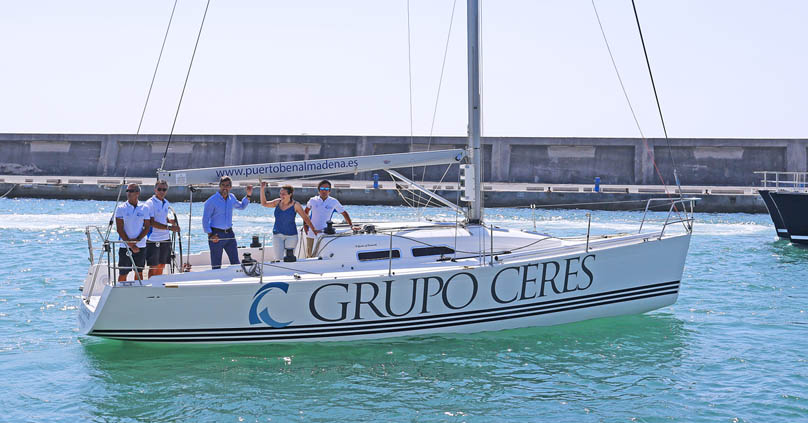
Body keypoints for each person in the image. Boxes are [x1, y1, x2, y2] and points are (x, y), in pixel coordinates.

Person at [202, 176, 253, 269]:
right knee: (216, 265)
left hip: (230, 234)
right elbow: (205, 220)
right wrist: (210, 235)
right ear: (219, 186)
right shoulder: (212, 201)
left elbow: (241, 206)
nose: (225, 187)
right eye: (223, 185)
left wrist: (248, 195)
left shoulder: (232, 197)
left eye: (227, 185)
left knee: (236, 263)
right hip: (216, 234)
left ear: (231, 187)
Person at [259, 182, 318, 261]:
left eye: (284, 194)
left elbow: (305, 218)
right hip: (277, 235)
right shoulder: (277, 202)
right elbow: (264, 203)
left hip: (291, 236)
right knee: (278, 259)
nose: (281, 195)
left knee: (289, 259)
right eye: (280, 193)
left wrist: (314, 230)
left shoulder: (296, 205)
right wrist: (262, 189)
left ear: (290, 194)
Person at [302, 179, 357, 257]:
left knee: (322, 256)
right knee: (309, 256)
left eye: (327, 189)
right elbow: (305, 213)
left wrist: (351, 226)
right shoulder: (312, 200)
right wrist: (305, 225)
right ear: (319, 190)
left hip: (325, 233)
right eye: (322, 189)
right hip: (311, 232)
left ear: (329, 191)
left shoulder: (333, 201)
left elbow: (344, 213)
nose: (324, 191)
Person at [115, 183, 151, 282]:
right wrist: (131, 244)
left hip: (141, 245)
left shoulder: (145, 208)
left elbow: (147, 227)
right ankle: (121, 293)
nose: (128, 193)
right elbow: (119, 229)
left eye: (131, 191)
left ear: (137, 193)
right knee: (123, 272)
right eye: (127, 191)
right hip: (125, 246)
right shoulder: (121, 208)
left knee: (139, 272)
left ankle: (138, 291)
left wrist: (137, 240)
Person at [144, 180, 180, 277]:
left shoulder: (166, 202)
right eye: (159, 189)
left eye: (164, 189)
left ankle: (158, 284)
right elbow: (151, 222)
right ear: (155, 190)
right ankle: (152, 288)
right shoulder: (150, 203)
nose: (162, 191)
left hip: (165, 238)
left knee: (162, 265)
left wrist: (170, 221)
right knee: (153, 266)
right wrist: (169, 227)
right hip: (153, 238)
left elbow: (162, 217)